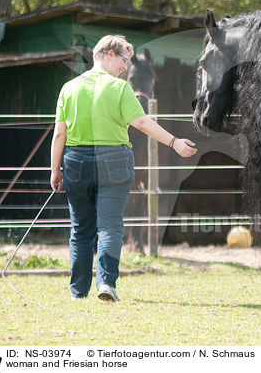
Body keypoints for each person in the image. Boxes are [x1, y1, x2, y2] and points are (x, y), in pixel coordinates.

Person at [50, 35, 197, 302]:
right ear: (108, 53)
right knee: (110, 227)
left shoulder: (68, 88)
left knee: (81, 228)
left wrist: (54, 170)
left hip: (75, 162)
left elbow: (59, 134)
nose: (125, 67)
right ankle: (106, 284)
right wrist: (174, 142)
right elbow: (141, 122)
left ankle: (78, 291)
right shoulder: (118, 88)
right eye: (123, 60)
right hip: (113, 160)